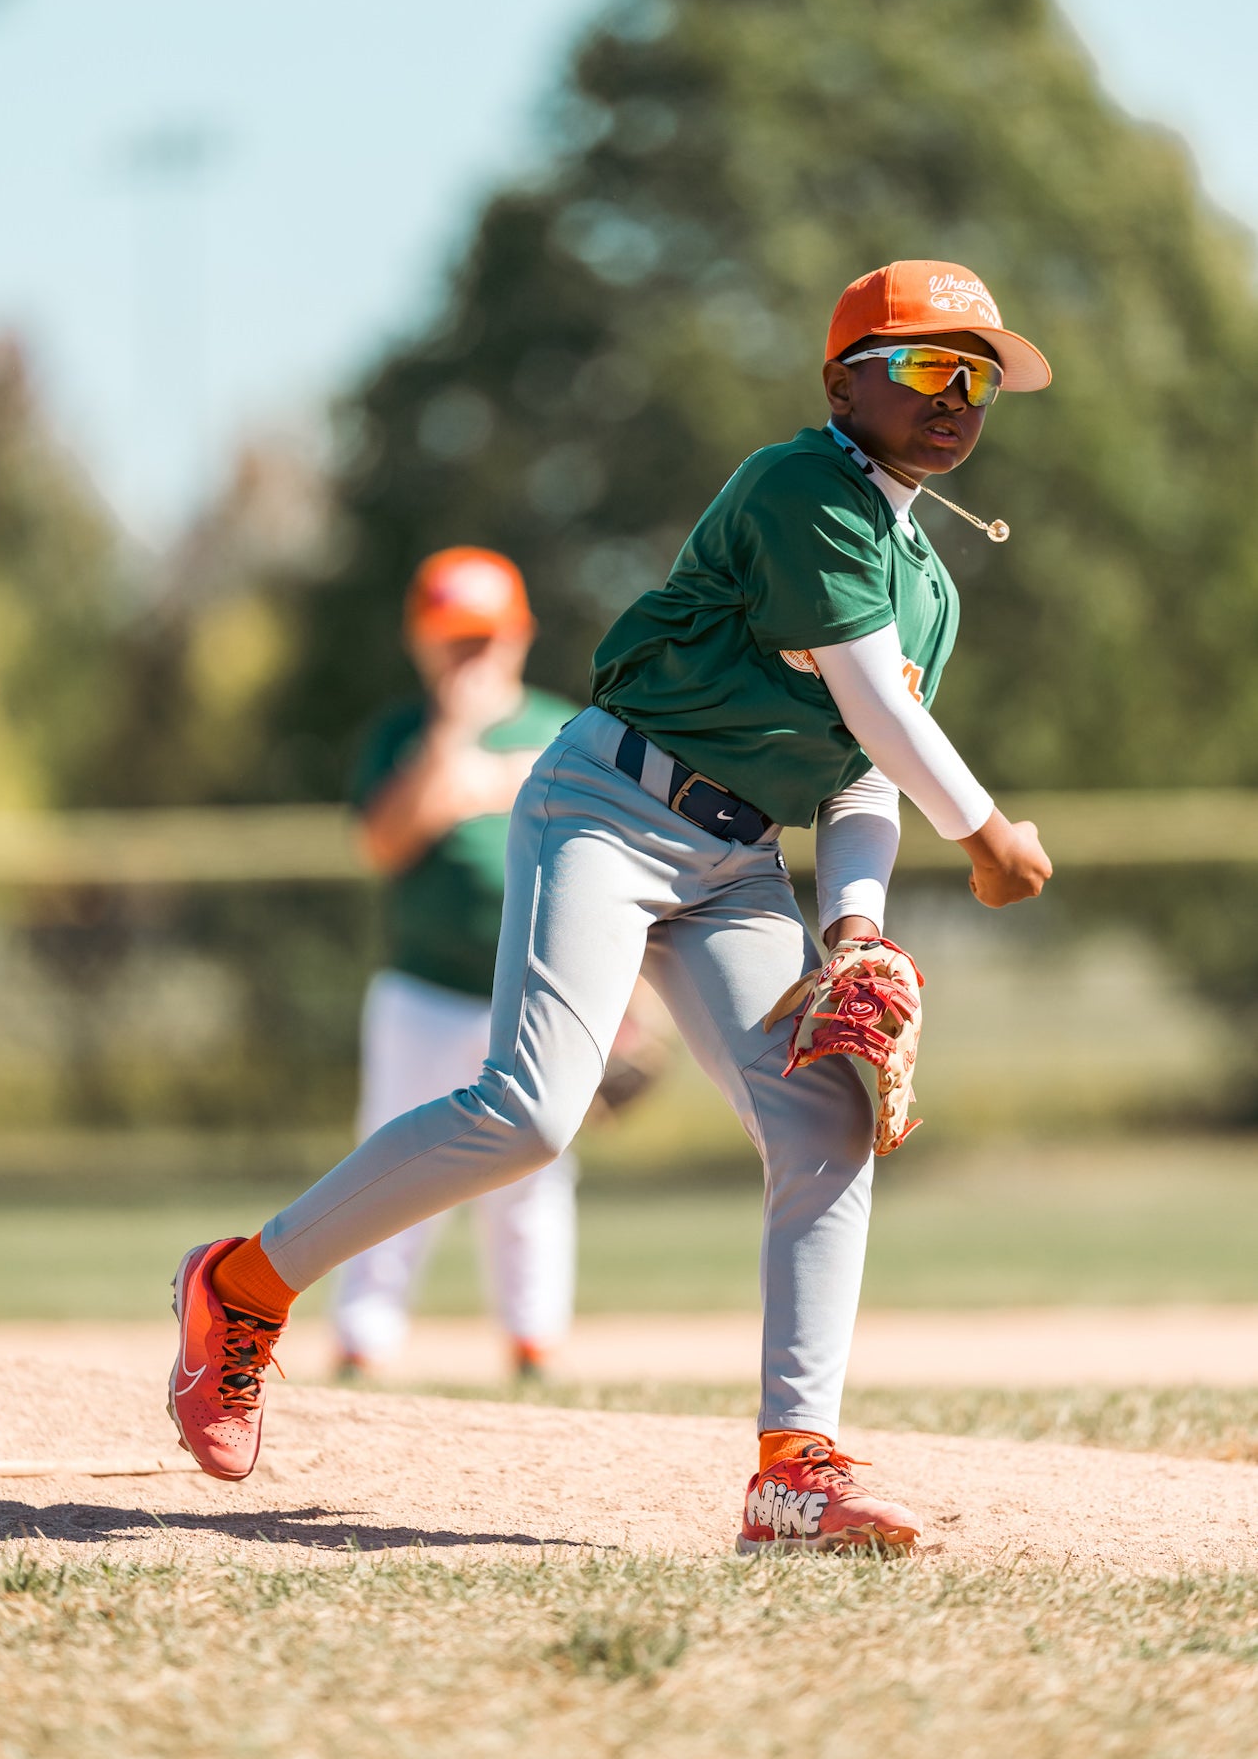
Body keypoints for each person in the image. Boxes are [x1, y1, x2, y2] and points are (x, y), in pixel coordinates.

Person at [168, 259, 1053, 1551]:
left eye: (976, 376)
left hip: (735, 864)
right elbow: (878, 708)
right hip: (607, 806)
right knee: (530, 1113)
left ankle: (794, 1472)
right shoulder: (800, 487)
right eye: (925, 363)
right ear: (841, 384)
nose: (956, 396)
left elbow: (861, 776)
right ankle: (240, 1285)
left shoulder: (934, 588)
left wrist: (856, 927)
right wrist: (984, 831)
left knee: (826, 1120)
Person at [334, 547, 580, 1381]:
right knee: (389, 1161)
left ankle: (535, 1341)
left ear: (520, 634)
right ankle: (364, 1337)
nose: (471, 654)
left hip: (541, 992)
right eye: (454, 639)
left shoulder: (564, 729)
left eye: (485, 636)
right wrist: (449, 733)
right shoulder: (403, 735)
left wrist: (629, 1003)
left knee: (532, 1169)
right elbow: (382, 843)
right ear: (421, 641)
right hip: (425, 989)